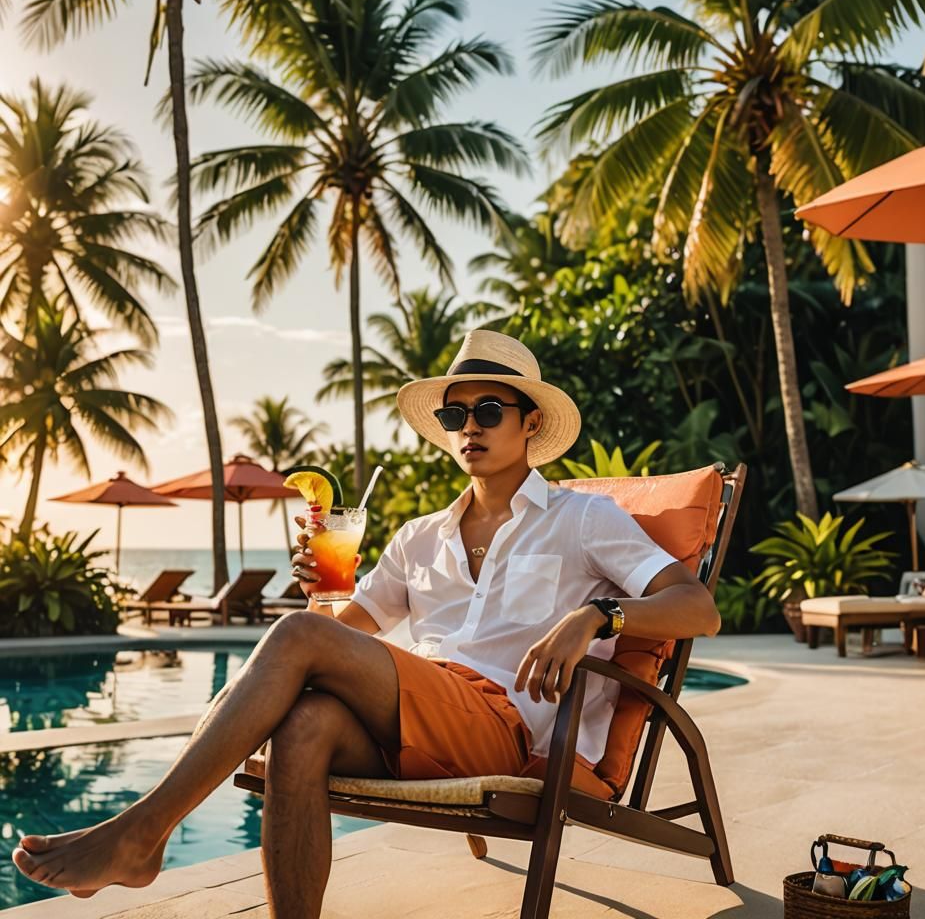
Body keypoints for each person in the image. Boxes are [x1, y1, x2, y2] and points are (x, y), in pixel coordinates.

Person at [11, 329, 721, 917]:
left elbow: (699, 608)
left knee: (299, 641)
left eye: (488, 409)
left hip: (509, 729)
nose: (470, 427)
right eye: (455, 416)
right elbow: (339, 637)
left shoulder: (583, 519)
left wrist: (597, 615)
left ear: (530, 421)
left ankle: (142, 833)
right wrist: (320, 591)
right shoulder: (421, 536)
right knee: (304, 725)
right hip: (423, 715)